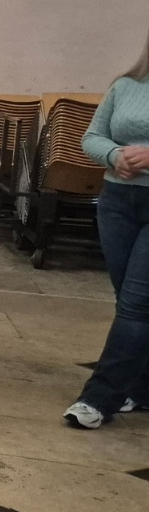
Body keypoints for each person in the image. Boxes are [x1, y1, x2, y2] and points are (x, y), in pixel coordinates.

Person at [64, 33, 149, 429]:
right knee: (129, 299)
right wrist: (114, 154)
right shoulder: (127, 85)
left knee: (135, 304)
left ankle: (98, 399)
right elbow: (92, 137)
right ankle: (142, 387)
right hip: (117, 201)